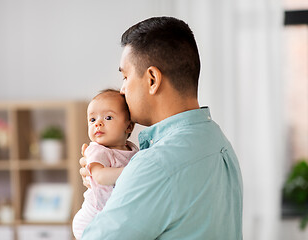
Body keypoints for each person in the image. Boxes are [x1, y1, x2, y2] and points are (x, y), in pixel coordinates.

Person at [80, 16, 243, 239]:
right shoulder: (217, 140)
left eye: (126, 77)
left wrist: (126, 181)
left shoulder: (155, 166)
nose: (122, 91)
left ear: (152, 79)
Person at [72, 89, 138, 239]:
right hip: (92, 218)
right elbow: (100, 176)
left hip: (111, 217)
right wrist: (135, 171)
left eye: (108, 117)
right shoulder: (97, 150)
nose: (98, 124)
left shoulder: (132, 149)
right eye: (92, 120)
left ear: (129, 127)